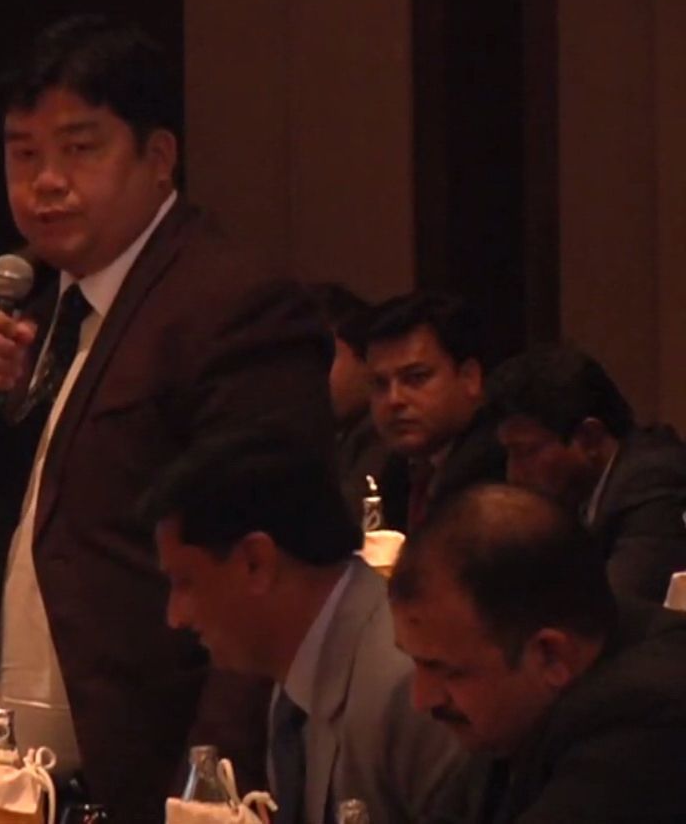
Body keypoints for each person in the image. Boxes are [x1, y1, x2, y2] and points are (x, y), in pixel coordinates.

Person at [0, 14, 334, 818]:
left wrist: (210, 784)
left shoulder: (230, 304)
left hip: (145, 765)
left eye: (79, 149)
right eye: (24, 154)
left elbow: (269, 571)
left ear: (158, 157)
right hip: (4, 762)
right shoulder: (29, 299)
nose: (46, 182)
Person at [146, 431, 469, 824]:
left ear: (255, 563)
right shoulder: (296, 672)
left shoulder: (401, 682)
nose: (175, 616)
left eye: (185, 582)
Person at [389, 484, 686, 822]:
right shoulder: (520, 709)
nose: (421, 698)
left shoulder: (649, 726)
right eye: (416, 662)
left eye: (448, 671)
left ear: (550, 655)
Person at [488, 345, 686, 602]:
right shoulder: (577, 494)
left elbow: (612, 611)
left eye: (527, 452)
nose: (513, 474)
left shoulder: (652, 484)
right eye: (509, 454)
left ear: (590, 437)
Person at [350, 292, 503, 532]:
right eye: (380, 384)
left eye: (416, 378)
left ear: (469, 377)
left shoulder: (500, 471)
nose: (394, 399)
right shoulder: (399, 468)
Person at [306, 283, 389, 525]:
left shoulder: (384, 430)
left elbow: (339, 526)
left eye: (323, 357)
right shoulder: (329, 433)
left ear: (367, 359)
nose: (310, 375)